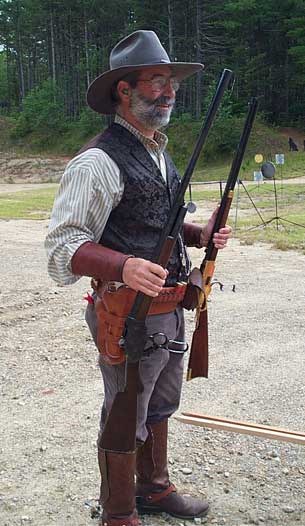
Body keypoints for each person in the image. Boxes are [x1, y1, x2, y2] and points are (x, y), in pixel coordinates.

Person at [45, 30, 231, 526]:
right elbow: (64, 247)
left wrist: (199, 233)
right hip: (125, 312)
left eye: (170, 82)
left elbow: (159, 222)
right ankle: (119, 510)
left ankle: (152, 489)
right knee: (125, 410)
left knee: (161, 403)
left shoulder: (157, 150)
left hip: (169, 307)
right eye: (155, 81)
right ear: (123, 91)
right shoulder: (97, 161)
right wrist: (123, 266)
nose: (168, 91)